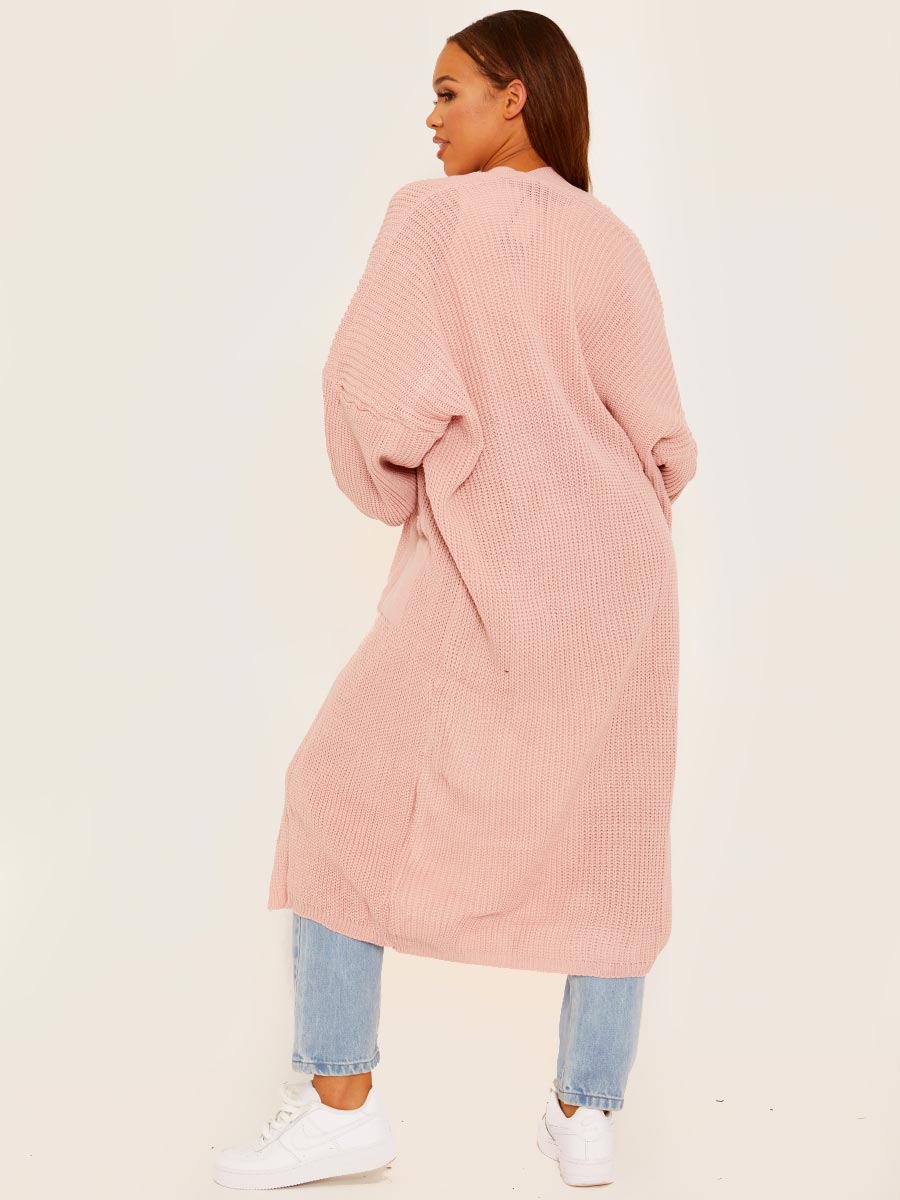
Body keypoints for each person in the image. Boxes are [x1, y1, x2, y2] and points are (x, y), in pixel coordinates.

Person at [213, 10, 698, 1192]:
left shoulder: (430, 219)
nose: (430, 120)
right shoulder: (609, 239)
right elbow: (665, 439)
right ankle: (587, 1115)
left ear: (515, 96)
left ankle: (340, 1105)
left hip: (487, 557)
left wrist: (407, 485)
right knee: (610, 830)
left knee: (335, 796)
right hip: (621, 574)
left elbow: (371, 395)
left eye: (448, 93)